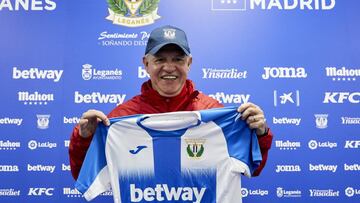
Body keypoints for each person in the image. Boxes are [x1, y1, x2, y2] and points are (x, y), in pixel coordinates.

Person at [69, 25, 273, 180]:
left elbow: (252, 168)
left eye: (178, 59)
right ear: (146, 64)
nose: (169, 67)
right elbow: (84, 174)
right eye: (160, 60)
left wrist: (260, 133)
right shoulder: (122, 118)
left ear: (189, 63)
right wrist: (84, 139)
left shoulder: (214, 113)